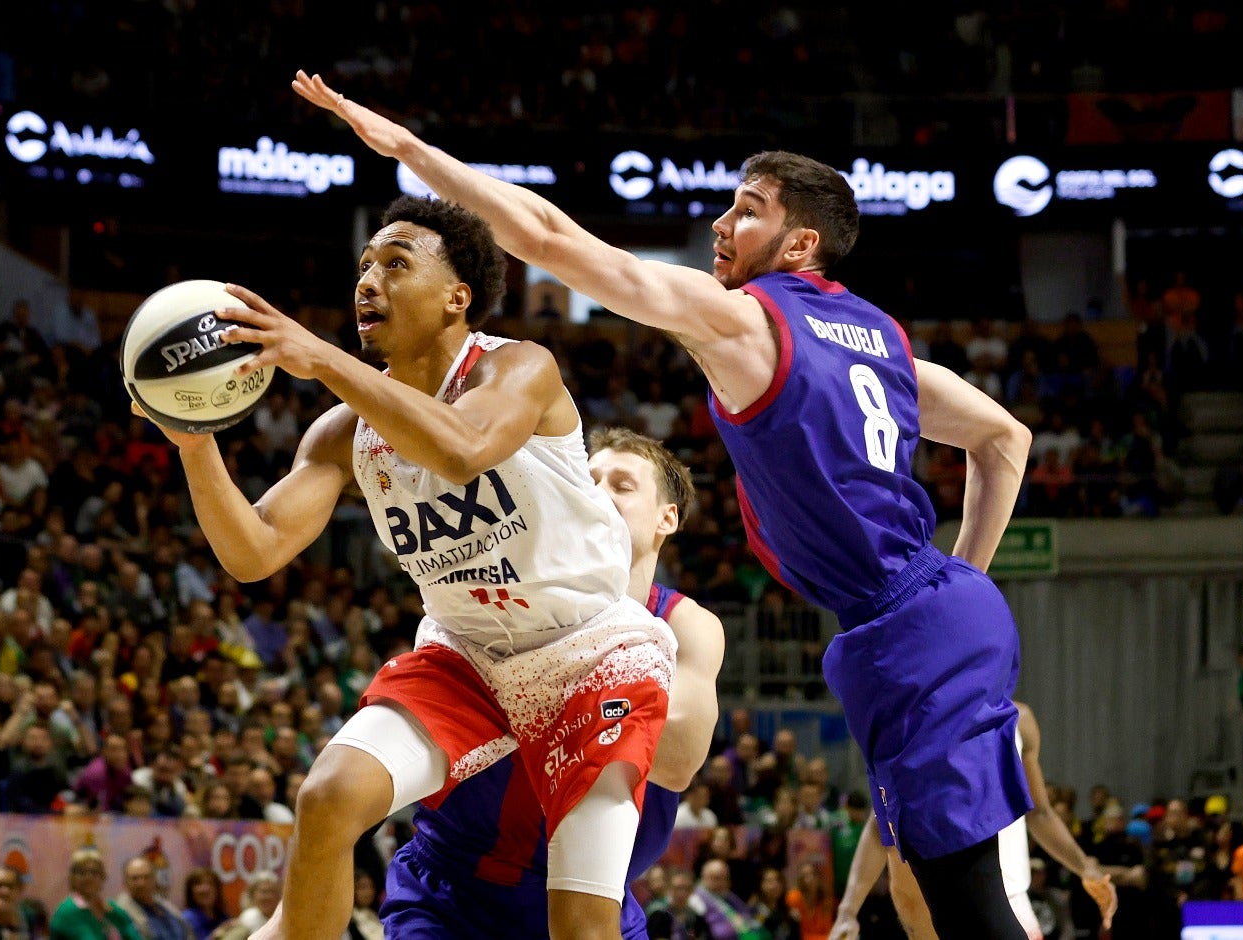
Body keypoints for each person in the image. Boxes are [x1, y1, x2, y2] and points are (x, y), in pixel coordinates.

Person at [296, 70, 1040, 938]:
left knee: (966, 904)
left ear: (799, 246)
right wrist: (959, 589)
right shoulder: (879, 339)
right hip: (924, 617)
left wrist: (412, 153)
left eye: (748, 210)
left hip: (906, 620)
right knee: (937, 892)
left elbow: (546, 234)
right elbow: (1004, 440)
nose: (723, 225)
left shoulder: (746, 320)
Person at [135, 195, 676, 940]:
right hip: (466, 652)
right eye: (362, 266)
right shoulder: (344, 432)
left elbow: (459, 448)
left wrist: (318, 357)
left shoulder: (520, 368)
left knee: (582, 924)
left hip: (589, 654)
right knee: (327, 797)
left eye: (395, 263)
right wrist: (196, 445)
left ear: (458, 297)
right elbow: (254, 551)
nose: (368, 281)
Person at [378, 429, 725, 939]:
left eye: (623, 484)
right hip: (455, 889)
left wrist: (527, 686)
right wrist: (595, 707)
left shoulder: (687, 624)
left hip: (597, 897)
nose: (599, 492)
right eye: (589, 480)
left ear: (665, 519)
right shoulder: (501, 585)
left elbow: (676, 763)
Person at [830, 702, 1117, 940]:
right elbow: (880, 823)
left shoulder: (1021, 720)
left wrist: (1085, 867)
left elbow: (1039, 813)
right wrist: (847, 911)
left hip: (1009, 901)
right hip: (934, 906)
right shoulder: (919, 721)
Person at [50, 851, 141, 940]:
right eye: (82, 872)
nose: (89, 877)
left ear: (103, 877)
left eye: (94, 872)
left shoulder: (113, 909)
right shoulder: (67, 912)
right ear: (72, 878)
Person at [114, 859, 190, 940]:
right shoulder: (121, 911)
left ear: (154, 879)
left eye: (146, 877)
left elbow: (187, 932)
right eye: (134, 878)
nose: (141, 883)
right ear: (124, 882)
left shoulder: (165, 905)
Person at [179, 870, 226, 940]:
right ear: (190, 891)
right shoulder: (186, 919)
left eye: (210, 883)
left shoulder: (223, 918)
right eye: (198, 884)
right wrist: (215, 935)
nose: (205, 889)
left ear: (217, 890)